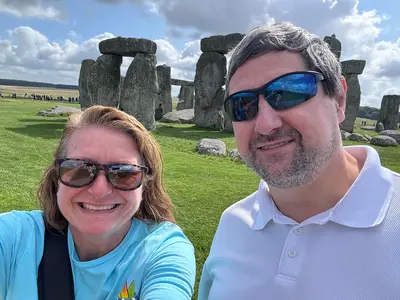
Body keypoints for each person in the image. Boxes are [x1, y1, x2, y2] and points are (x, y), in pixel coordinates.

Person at [198, 22, 400, 300]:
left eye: (289, 91)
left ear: (339, 100)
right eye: (242, 105)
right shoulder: (233, 222)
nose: (265, 124)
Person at [0, 105, 196, 299]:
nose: (99, 190)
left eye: (124, 173)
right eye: (79, 169)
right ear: (56, 178)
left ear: (145, 184)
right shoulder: (15, 237)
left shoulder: (162, 251)